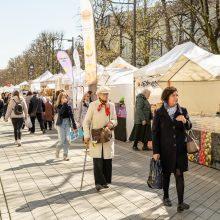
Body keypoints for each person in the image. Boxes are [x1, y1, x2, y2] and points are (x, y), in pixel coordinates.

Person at [152, 86, 192, 213]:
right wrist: (156, 151)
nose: (176, 97)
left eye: (177, 95)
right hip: (165, 150)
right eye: (173, 95)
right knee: (166, 174)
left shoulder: (183, 110)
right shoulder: (159, 113)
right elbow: (155, 133)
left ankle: (180, 202)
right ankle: (166, 197)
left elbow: (190, 126)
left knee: (179, 175)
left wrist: (185, 121)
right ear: (167, 97)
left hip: (180, 150)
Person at [83, 86, 117, 191]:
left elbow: (115, 119)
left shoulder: (111, 105)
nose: (106, 95)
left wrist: (112, 123)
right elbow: (86, 121)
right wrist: (86, 135)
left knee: (107, 159)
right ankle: (98, 182)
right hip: (95, 135)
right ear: (98, 95)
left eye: (107, 94)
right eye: (104, 93)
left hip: (107, 135)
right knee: (97, 159)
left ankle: (105, 181)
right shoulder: (93, 105)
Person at [55, 92, 77, 161]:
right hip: (60, 124)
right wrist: (64, 104)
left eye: (65, 97)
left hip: (67, 123)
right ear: (60, 99)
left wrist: (74, 126)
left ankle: (65, 155)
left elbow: (72, 117)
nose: (64, 99)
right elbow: (60, 112)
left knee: (68, 140)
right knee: (62, 141)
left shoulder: (69, 107)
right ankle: (57, 149)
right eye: (63, 98)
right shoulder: (58, 106)